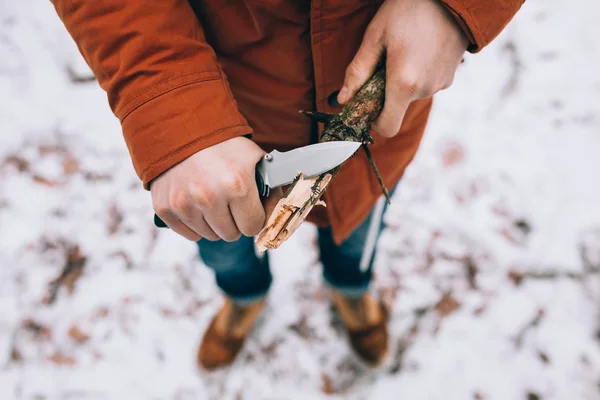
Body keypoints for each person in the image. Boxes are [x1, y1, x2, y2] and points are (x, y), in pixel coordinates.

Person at [52, 0, 524, 370]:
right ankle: (244, 298)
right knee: (223, 248)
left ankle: (351, 291)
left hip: (379, 131)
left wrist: (454, 5)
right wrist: (174, 112)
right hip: (221, 130)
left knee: (357, 237)